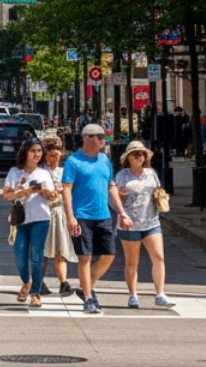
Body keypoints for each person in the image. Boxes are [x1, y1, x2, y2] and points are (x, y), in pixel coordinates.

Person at [61, 123, 116, 314]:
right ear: (86, 138)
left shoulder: (105, 160)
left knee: (108, 255)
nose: (102, 139)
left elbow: (111, 186)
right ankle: (88, 298)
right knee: (85, 257)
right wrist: (70, 217)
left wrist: (123, 212)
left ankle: (86, 286)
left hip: (103, 215)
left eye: (103, 136)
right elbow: (66, 190)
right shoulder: (73, 161)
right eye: (98, 136)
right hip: (82, 216)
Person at [112, 140, 172, 308]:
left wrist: (160, 196)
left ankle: (160, 294)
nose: (139, 156)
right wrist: (121, 207)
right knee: (132, 262)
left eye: (142, 154)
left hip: (151, 221)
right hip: (130, 223)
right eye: (135, 154)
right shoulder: (122, 175)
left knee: (159, 257)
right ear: (128, 158)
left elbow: (157, 189)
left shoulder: (151, 173)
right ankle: (133, 295)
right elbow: (114, 196)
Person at [3, 138, 55, 307]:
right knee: (20, 256)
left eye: (39, 151)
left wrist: (44, 192)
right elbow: (6, 196)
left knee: (37, 257)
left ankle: (36, 293)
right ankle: (26, 282)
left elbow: (53, 197)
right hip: (21, 219)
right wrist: (25, 191)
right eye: (33, 151)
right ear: (25, 152)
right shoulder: (15, 172)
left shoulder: (44, 173)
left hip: (41, 218)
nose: (36, 154)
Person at [40, 138, 75, 296]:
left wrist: (70, 216)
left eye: (56, 154)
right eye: (50, 154)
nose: (54, 158)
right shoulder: (40, 171)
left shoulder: (64, 172)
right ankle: (38, 282)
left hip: (59, 211)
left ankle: (63, 282)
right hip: (43, 212)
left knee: (60, 249)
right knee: (43, 251)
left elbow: (70, 191)